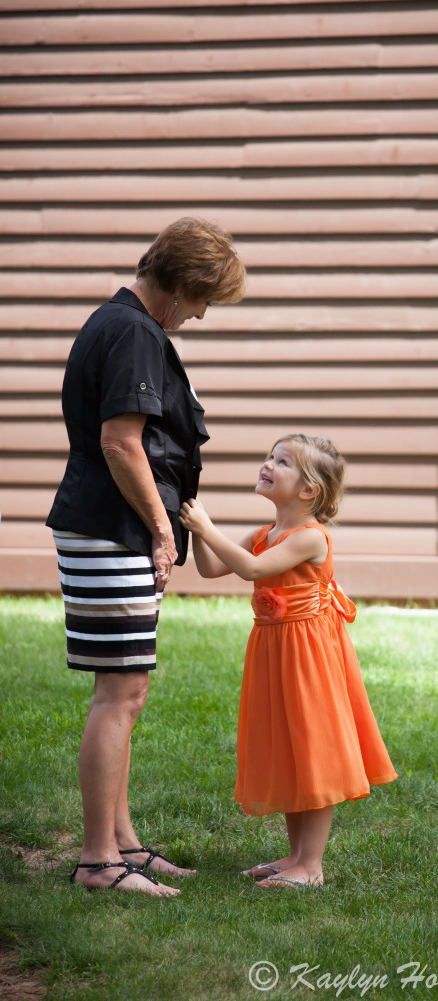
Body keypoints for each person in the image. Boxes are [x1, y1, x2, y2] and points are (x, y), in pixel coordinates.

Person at [46, 217, 246, 895]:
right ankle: (100, 862)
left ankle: (123, 842)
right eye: (202, 301)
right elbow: (120, 443)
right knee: (118, 693)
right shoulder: (134, 331)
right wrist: (163, 531)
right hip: (113, 528)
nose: (198, 315)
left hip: (107, 527)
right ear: (183, 283)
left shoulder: (121, 323)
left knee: (130, 689)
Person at [179, 433, 397, 889]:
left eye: (281, 462)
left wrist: (205, 528)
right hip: (275, 649)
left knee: (314, 747)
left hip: (309, 654)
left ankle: (311, 868)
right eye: (269, 457)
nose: (267, 464)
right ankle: (295, 856)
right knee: (292, 747)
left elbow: (253, 570)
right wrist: (194, 529)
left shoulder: (310, 537)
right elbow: (212, 567)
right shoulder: (263, 534)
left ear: (308, 490)